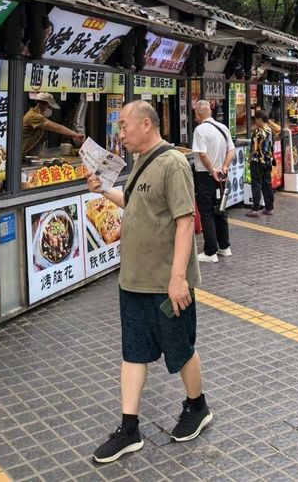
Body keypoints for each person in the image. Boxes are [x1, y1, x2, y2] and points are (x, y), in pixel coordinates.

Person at [85, 101, 210, 464]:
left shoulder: (172, 163)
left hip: (165, 283)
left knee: (180, 349)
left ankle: (197, 406)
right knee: (133, 352)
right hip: (134, 280)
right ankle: (128, 428)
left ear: (145, 123)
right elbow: (136, 203)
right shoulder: (140, 160)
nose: (119, 133)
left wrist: (177, 279)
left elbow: (185, 221)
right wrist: (102, 191)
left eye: (123, 126)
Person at [191, 100, 235, 262]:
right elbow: (231, 150)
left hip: (205, 176)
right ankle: (225, 247)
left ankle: (210, 252)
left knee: (207, 212)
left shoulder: (200, 130)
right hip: (221, 177)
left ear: (197, 114)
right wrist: (224, 167)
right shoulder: (223, 128)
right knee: (220, 210)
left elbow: (202, 154)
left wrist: (212, 170)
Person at [247, 110, 275, 217]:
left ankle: (255, 209)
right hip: (268, 161)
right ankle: (269, 207)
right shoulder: (270, 131)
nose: (254, 121)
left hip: (258, 161)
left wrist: (249, 160)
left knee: (256, 184)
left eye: (255, 119)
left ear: (259, 119)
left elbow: (254, 149)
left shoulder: (257, 131)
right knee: (267, 184)